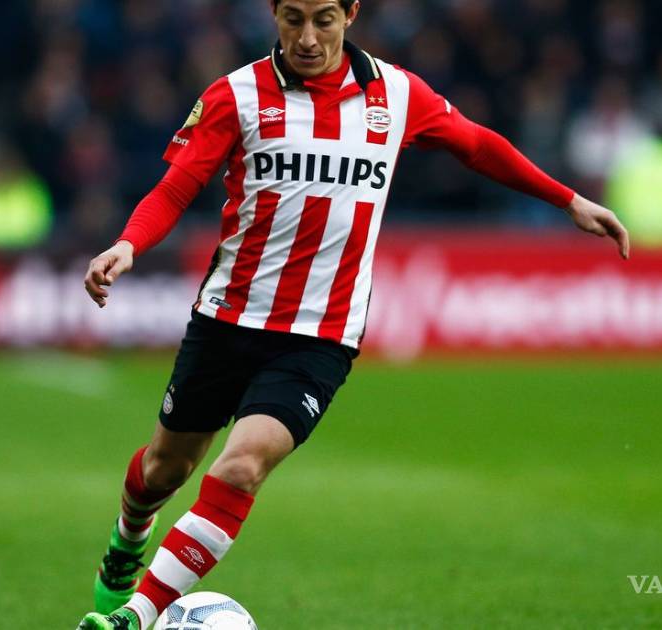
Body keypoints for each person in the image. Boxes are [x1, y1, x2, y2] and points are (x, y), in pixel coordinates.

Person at [78, 1, 629, 628]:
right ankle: (127, 539)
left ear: (351, 14)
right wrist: (128, 244)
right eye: (293, 19)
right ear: (273, 14)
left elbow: (477, 145)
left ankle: (135, 617)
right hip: (229, 318)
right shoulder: (236, 94)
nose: (308, 37)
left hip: (320, 335)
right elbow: (177, 186)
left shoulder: (397, 93)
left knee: (243, 465)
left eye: (324, 19)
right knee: (165, 468)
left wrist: (568, 200)